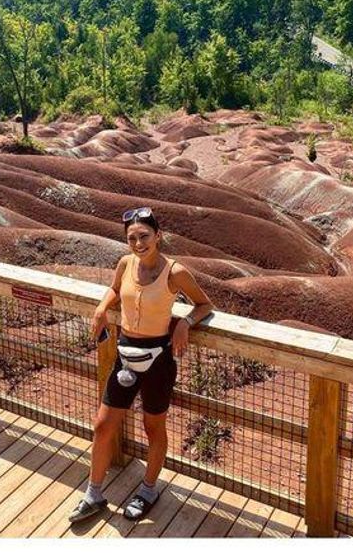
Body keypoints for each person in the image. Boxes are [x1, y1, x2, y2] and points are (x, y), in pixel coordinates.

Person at [69, 207, 214, 523]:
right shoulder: (125, 264)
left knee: (153, 428)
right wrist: (101, 308)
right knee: (103, 424)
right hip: (125, 354)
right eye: (131, 238)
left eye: (144, 236)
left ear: (158, 235)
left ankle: (149, 489)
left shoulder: (175, 272)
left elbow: (204, 304)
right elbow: (115, 289)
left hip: (158, 359)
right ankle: (93, 494)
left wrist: (185, 323)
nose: (138, 243)